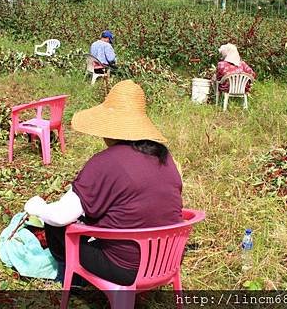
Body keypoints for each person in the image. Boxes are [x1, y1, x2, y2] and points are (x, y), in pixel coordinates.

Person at [24, 80, 183, 286]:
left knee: (54, 225)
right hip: (166, 262)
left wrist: (37, 207)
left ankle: (70, 278)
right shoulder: (164, 156)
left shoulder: (106, 162)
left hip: (125, 268)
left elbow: (61, 216)